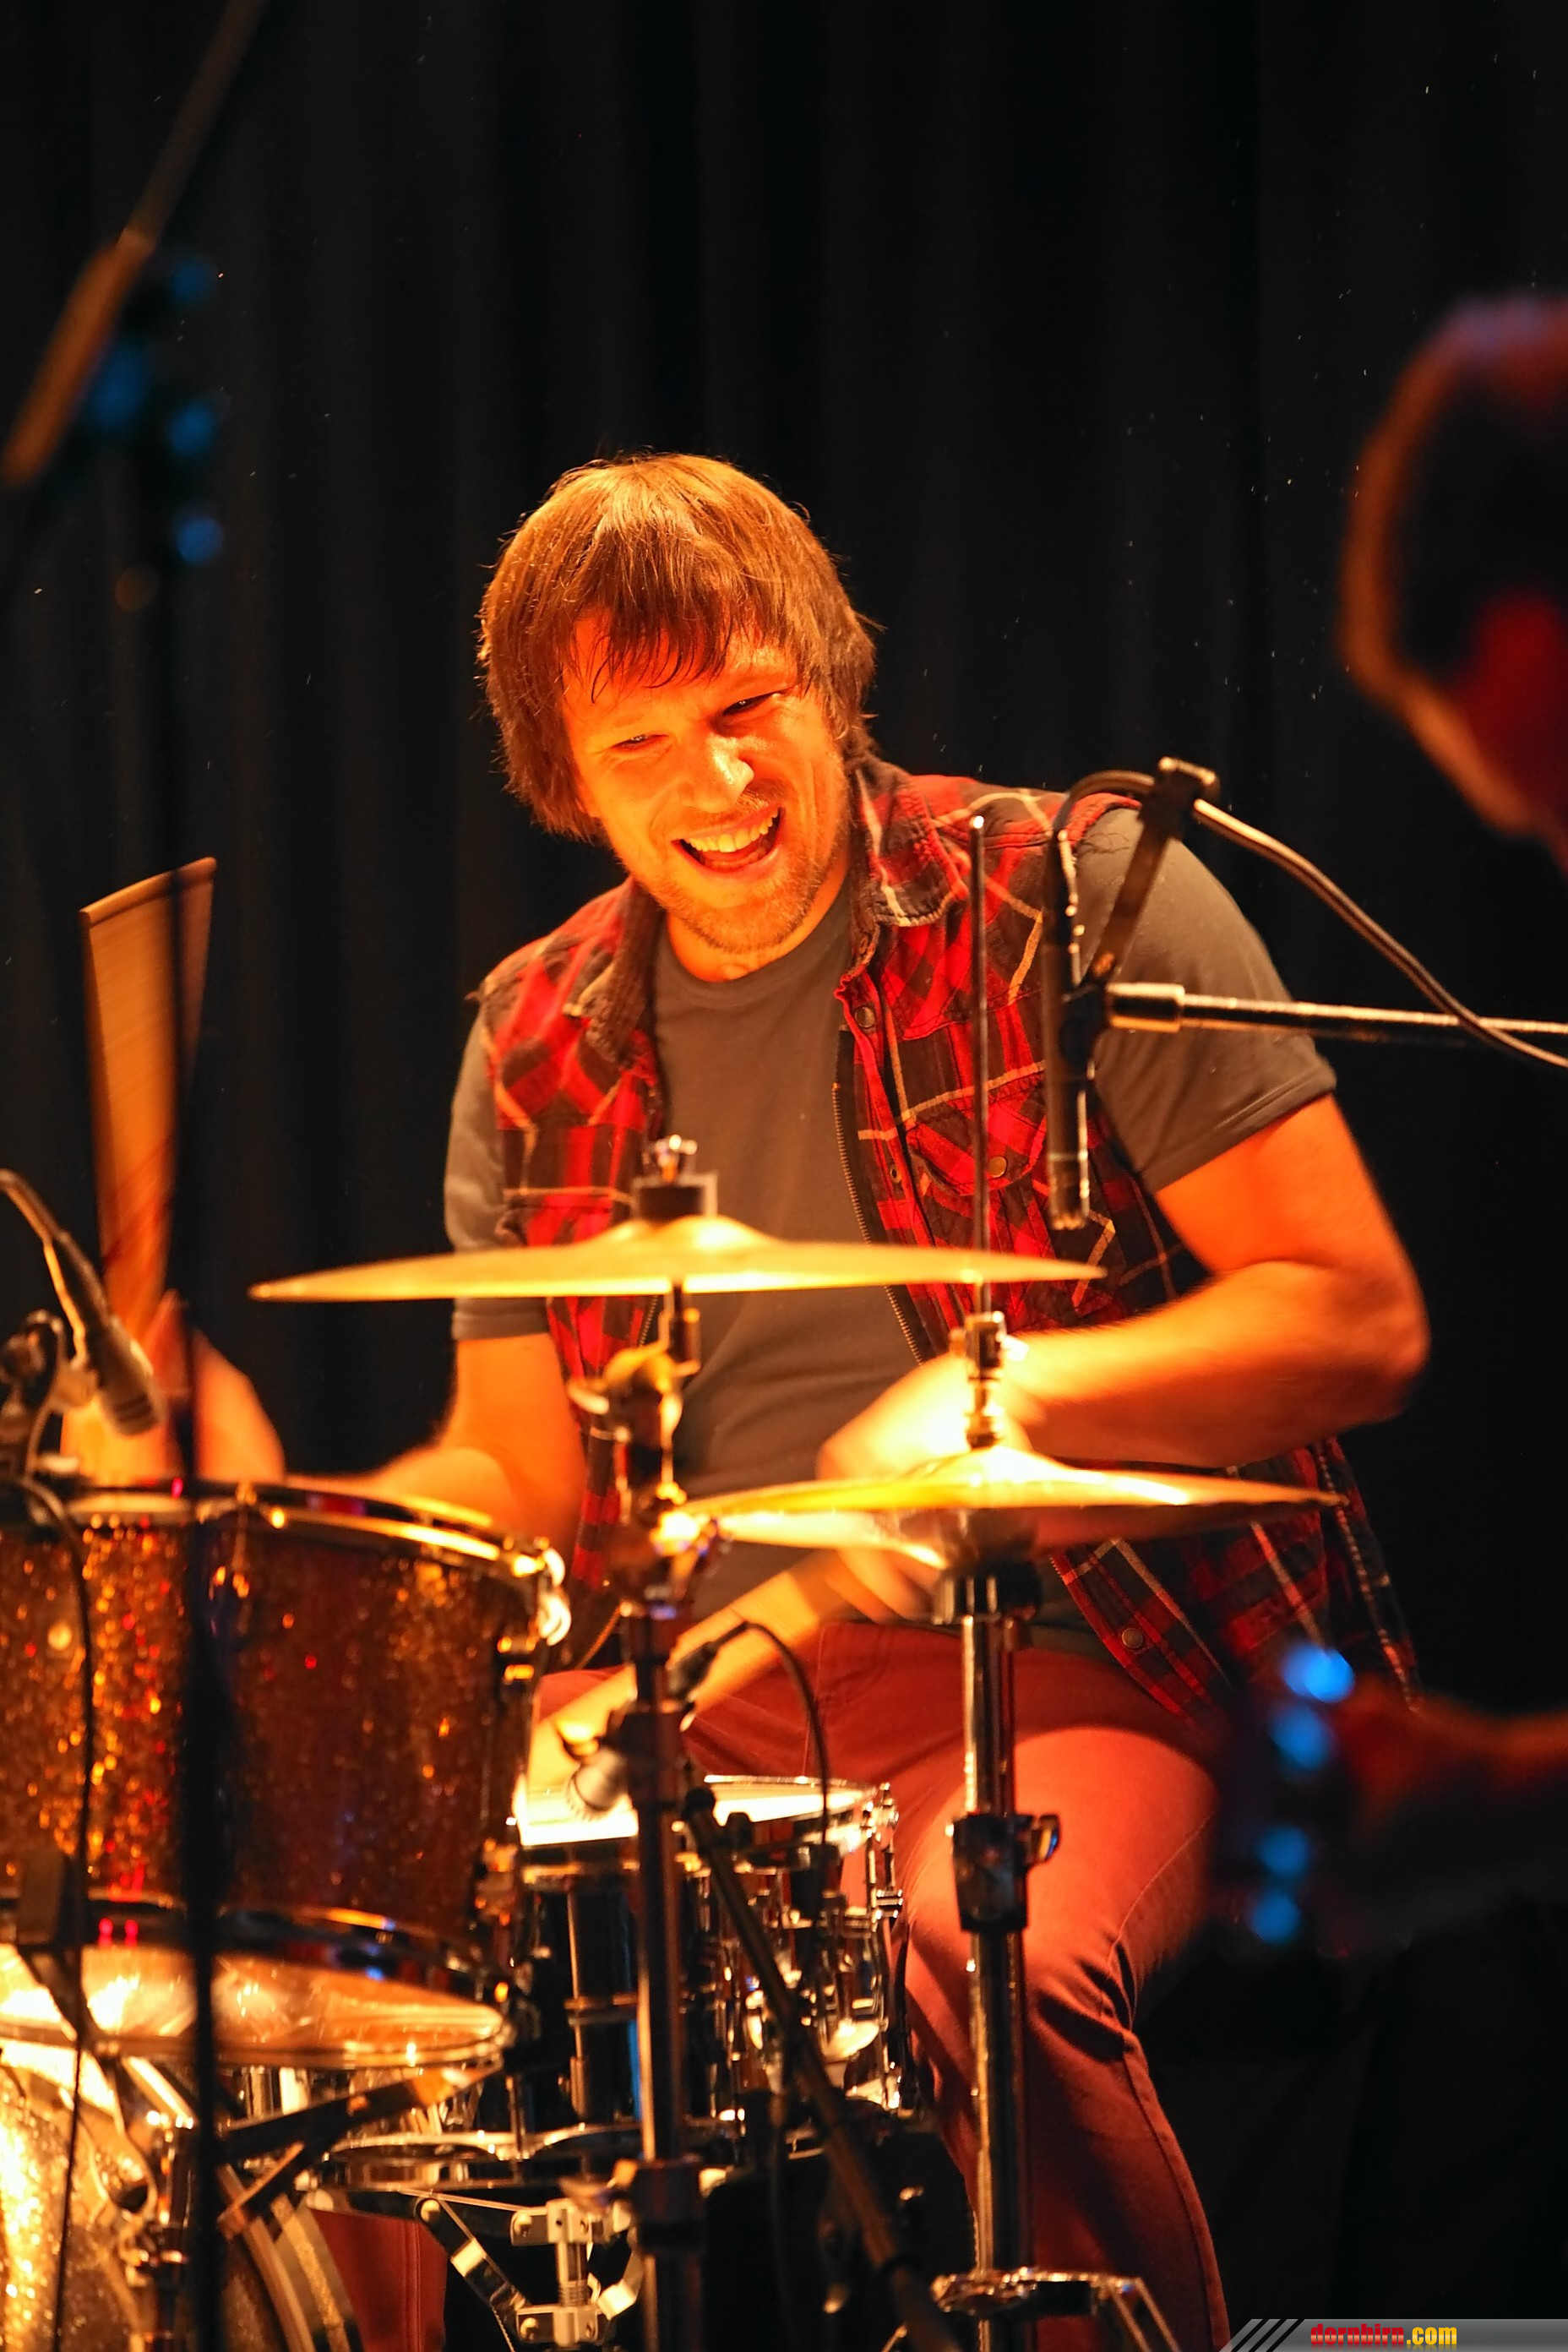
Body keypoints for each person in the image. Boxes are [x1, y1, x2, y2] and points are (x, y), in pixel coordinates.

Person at [88, 453, 1428, 2350]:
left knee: (977, 1944)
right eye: (642, 745)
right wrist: (278, 1519)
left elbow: (1356, 1317)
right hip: (716, 1682)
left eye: (747, 707)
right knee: (331, 1945)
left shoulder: (1066, 899)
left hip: (1093, 1648)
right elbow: (520, 1469)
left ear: (831, 676)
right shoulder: (536, 1033)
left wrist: (1008, 1393)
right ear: (568, 779)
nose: (715, 784)